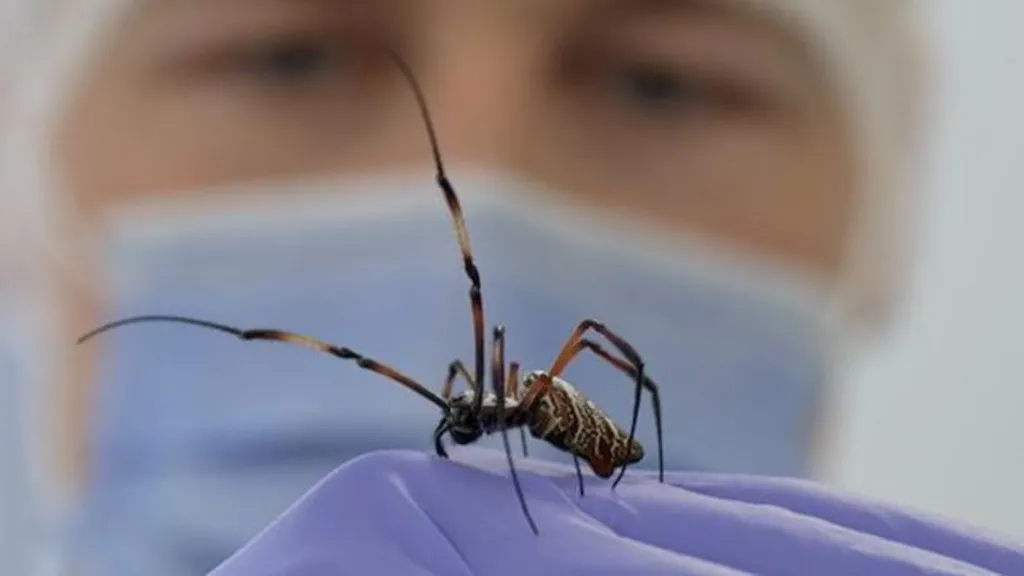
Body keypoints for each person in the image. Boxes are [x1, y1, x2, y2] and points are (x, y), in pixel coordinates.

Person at [0, 0, 924, 574]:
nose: (495, 172)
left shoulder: (526, 390)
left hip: (567, 417)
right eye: (286, 57)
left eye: (663, 83)